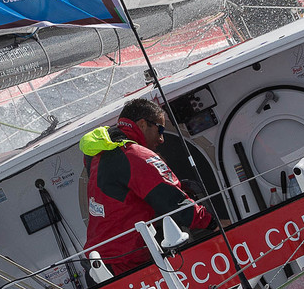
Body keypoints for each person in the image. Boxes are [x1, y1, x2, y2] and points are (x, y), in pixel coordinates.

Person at [80, 98, 213, 277]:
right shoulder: (134, 155)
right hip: (124, 264)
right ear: (142, 124)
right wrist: (212, 224)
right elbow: (172, 201)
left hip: (99, 264)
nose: (161, 138)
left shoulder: (98, 153)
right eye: (160, 129)